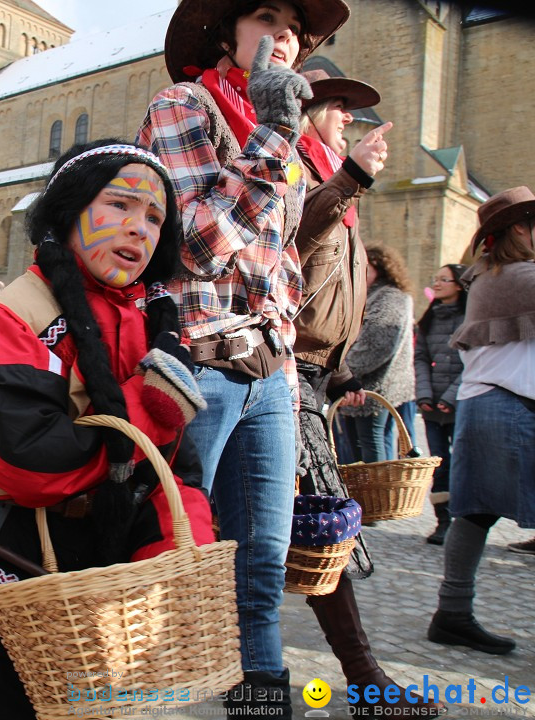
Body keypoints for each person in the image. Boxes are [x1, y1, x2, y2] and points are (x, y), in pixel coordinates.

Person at [0, 140, 211, 720]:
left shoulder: (150, 327)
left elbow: (172, 468)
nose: (139, 229)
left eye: (155, 217)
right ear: (70, 210)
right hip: (8, 568)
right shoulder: (10, 318)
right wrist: (147, 405)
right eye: (120, 205)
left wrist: (180, 557)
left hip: (97, 576)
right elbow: (31, 458)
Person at [137, 0, 349, 712]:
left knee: (260, 573)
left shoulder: (285, 142)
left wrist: (290, 365)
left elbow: (277, 261)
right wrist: (271, 137)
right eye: (267, 16)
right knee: (170, 564)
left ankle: (261, 708)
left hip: (270, 376)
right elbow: (196, 245)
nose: (285, 34)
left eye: (294, 26)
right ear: (227, 34)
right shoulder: (183, 103)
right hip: (200, 366)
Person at [292, 73, 443, 716]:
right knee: (274, 531)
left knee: (317, 530)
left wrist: (341, 371)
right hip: (270, 370)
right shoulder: (294, 166)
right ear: (307, 110)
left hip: (306, 373)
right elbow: (293, 242)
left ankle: (362, 677)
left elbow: (330, 295)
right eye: (338, 107)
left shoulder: (334, 176)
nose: (348, 119)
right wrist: (350, 177)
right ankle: (259, 675)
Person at [426, 187, 535, 656]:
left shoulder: (496, 274)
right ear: (518, 229)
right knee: (474, 513)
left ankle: (452, 613)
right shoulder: (517, 276)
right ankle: (451, 614)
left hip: (492, 404)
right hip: (505, 406)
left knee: (474, 514)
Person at [337, 245, 415, 462]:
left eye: (365, 268)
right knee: (362, 448)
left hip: (375, 386)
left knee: (370, 448)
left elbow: (377, 344)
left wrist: (344, 371)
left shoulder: (389, 297)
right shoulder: (372, 296)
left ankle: (373, 496)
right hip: (365, 385)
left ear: (380, 269)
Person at [415, 264, 468, 545]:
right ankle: (443, 520)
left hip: (460, 404)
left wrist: (450, 397)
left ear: (459, 285)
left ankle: (463, 523)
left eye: (443, 280)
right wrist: (425, 394)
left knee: (462, 464)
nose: (436, 284)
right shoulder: (430, 319)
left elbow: (473, 363)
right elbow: (421, 357)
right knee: (439, 464)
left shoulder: (470, 318)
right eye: (434, 279)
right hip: (432, 405)